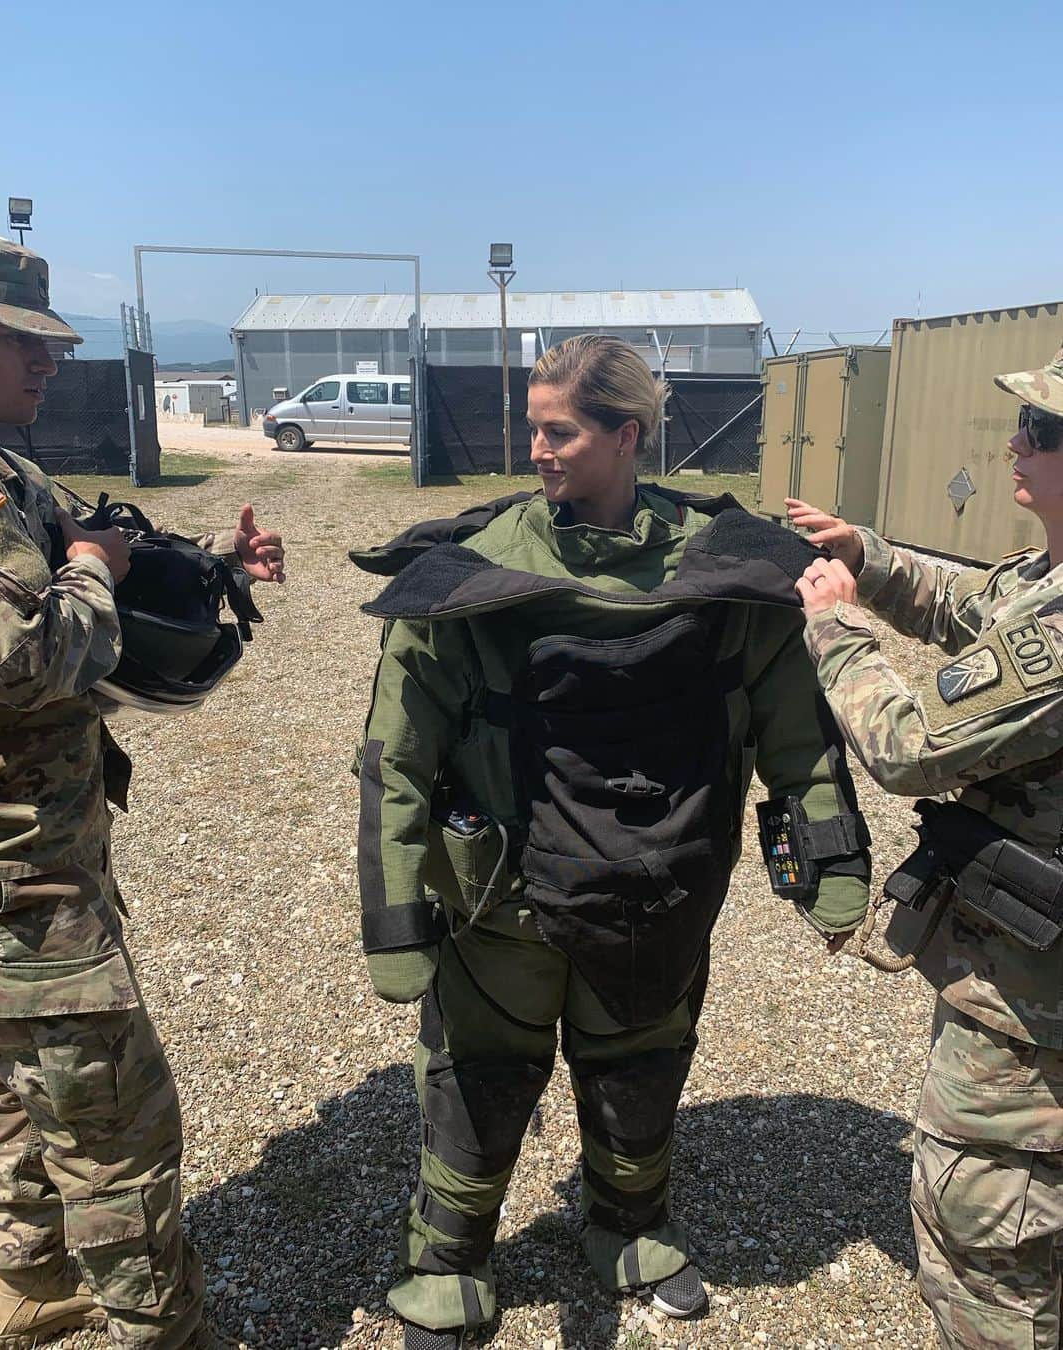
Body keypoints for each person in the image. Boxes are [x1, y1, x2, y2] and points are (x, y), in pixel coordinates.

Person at [351, 334, 871, 1350]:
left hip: (664, 889)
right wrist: (397, 919)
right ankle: (447, 1262)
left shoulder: (732, 567)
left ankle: (629, 1226)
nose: (536, 450)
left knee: (639, 1065)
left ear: (627, 435)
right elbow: (396, 760)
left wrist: (830, 864)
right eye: (532, 427)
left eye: (559, 431)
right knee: (480, 1077)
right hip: (502, 903)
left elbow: (798, 735)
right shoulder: (473, 572)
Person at [0, 234, 284, 1350]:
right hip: (19, 883)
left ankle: (30, 1279)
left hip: (29, 858)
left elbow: (75, 550)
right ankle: (161, 1333)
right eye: (20, 341)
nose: (47, 362)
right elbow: (29, 652)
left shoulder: (6, 466)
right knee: (116, 1128)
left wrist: (212, 562)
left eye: (53, 344)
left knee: (17, 1094)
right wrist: (98, 575)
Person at [788, 343, 1063, 1350]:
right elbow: (979, 606)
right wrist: (870, 556)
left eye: (1046, 432)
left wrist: (833, 627)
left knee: (990, 1245)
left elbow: (909, 749)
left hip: (1036, 1018)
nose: (1018, 444)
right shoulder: (1048, 581)